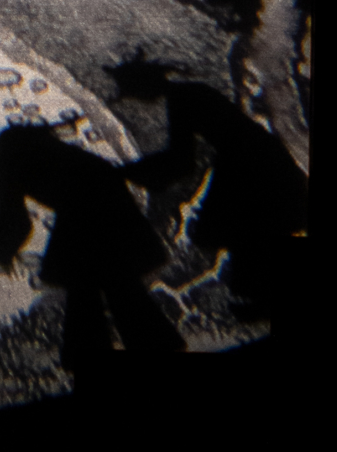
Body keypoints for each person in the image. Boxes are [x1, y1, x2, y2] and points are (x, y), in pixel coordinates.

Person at [0, 117, 186, 394]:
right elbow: (18, 222)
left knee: (92, 296)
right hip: (110, 211)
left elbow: (15, 222)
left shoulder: (9, 161)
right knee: (119, 292)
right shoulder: (58, 152)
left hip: (86, 217)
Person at [105, 51, 309, 333]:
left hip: (249, 165)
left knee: (245, 233)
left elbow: (181, 160)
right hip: (252, 160)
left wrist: (126, 172)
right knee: (252, 233)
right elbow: (182, 160)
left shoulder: (183, 98)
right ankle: (263, 300)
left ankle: (264, 300)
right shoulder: (187, 93)